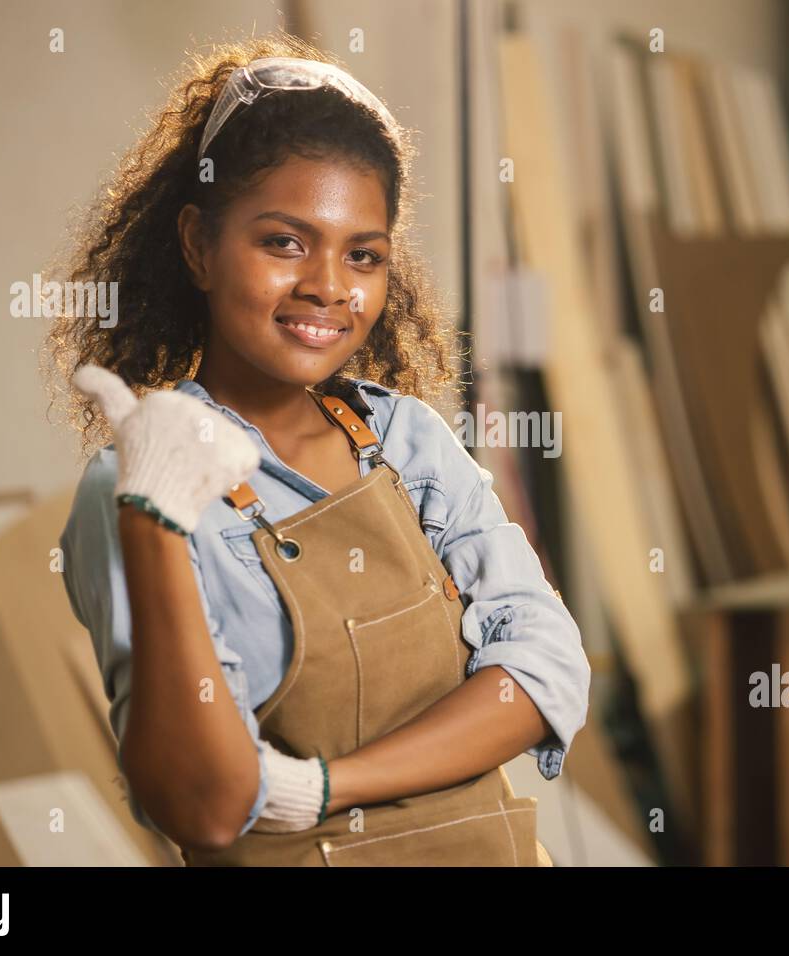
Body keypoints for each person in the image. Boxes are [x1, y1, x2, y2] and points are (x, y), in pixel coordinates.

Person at [43, 34, 589, 866]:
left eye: (361, 255)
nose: (329, 287)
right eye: (284, 242)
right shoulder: (138, 484)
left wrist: (323, 789)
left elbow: (546, 669)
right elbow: (206, 803)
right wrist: (151, 519)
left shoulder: (407, 442)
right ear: (198, 245)